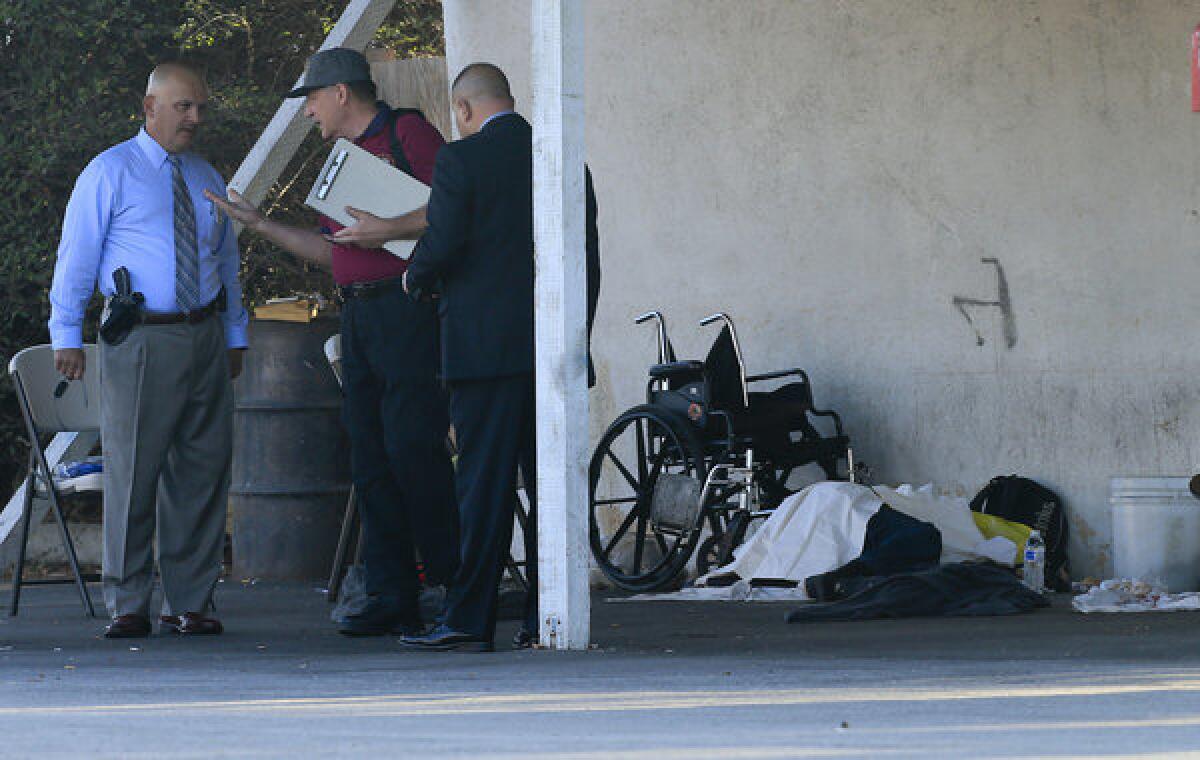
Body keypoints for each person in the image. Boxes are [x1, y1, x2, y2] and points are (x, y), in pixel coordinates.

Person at [207, 47, 458, 637]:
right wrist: (260, 225)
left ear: (341, 93)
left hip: (408, 309)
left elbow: (454, 207)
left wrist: (387, 229)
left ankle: (453, 583)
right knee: (369, 456)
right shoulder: (341, 160)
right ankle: (392, 591)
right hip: (360, 318)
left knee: (413, 448)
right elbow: (334, 252)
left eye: (311, 101)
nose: (307, 114)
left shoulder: (409, 133)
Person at [400, 63, 600, 653]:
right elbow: (588, 263)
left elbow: (444, 242)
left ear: (463, 110)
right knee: (553, 491)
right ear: (508, 100)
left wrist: (416, 275)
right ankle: (548, 617)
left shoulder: (461, 163)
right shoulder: (565, 159)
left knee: (483, 491)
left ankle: (468, 617)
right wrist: (575, 340)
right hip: (553, 357)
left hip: (484, 359)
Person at [48, 62, 249, 638]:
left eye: (201, 107)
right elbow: (77, 255)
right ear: (150, 106)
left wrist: (234, 336)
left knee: (203, 470)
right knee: (134, 467)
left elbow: (225, 262)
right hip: (140, 336)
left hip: (204, 332)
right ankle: (128, 600)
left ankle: (190, 600)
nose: (195, 117)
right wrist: (67, 335)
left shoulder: (204, 173)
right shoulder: (110, 171)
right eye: (184, 106)